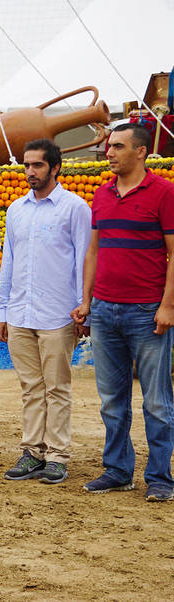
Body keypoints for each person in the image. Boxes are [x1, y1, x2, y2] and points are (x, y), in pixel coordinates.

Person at [71, 123, 174, 502]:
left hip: (147, 313)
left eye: (117, 146)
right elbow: (94, 252)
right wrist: (87, 301)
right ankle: (118, 471)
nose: (109, 152)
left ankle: (160, 478)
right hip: (105, 310)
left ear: (141, 152)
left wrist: (167, 306)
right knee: (112, 401)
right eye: (108, 146)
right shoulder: (101, 195)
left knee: (157, 401)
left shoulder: (164, 193)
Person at [0, 140, 91, 485]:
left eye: (37, 165)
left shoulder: (74, 208)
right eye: (26, 165)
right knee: (30, 387)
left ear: (55, 168)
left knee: (58, 388)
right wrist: (2, 309)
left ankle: (57, 456)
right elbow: (9, 262)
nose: (30, 172)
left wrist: (84, 308)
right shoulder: (17, 209)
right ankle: (32, 451)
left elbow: (84, 261)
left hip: (59, 313)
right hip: (21, 311)